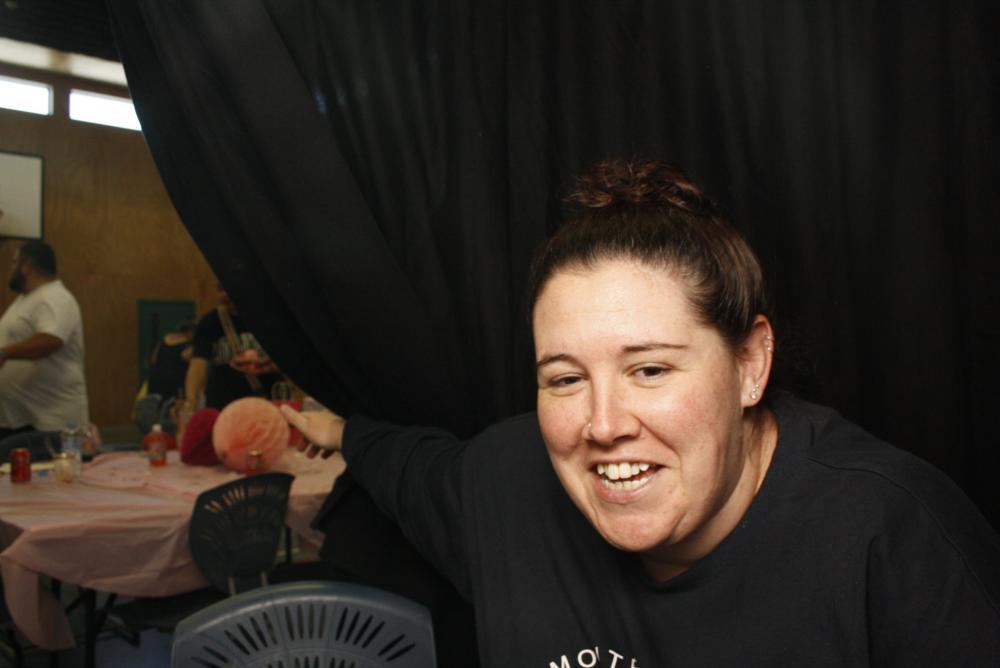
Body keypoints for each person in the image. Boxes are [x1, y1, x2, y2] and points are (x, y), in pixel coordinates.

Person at [281, 159, 1000, 666]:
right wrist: (336, 430)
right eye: (566, 379)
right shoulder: (502, 480)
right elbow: (405, 464)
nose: (602, 424)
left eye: (649, 369)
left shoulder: (893, 538)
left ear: (750, 365)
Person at [0, 241, 88, 439]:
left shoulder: (54, 297)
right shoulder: (27, 299)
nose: (11, 269)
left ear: (27, 266)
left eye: (14, 263)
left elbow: (51, 340)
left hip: (51, 422)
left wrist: (5, 353)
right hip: (21, 418)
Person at [181, 284, 281, 416]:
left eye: (228, 289)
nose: (224, 295)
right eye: (221, 290)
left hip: (266, 403)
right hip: (224, 406)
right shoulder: (210, 322)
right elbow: (198, 365)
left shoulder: (267, 319)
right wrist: (190, 403)